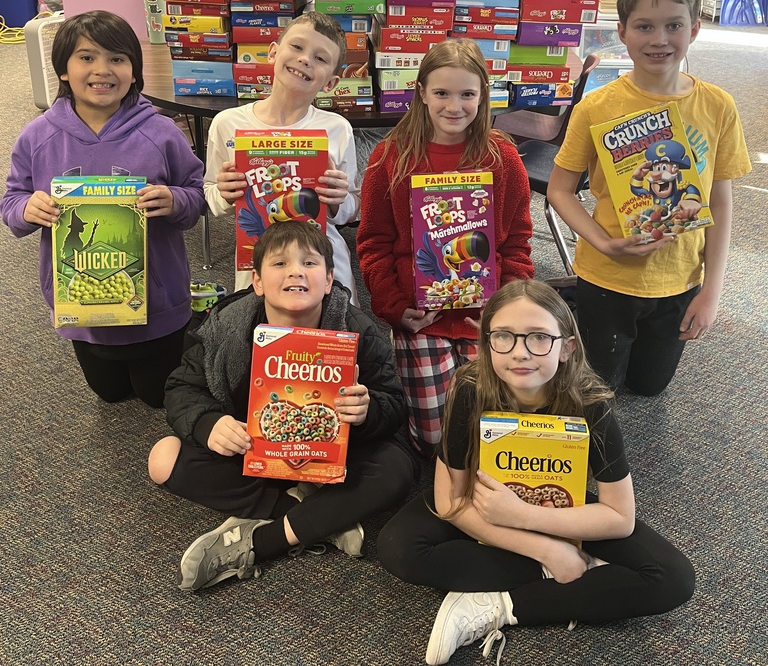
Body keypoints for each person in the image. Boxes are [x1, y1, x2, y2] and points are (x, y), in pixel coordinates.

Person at [377, 279, 695, 665]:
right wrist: (546, 549)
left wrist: (526, 516)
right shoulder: (469, 388)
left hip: (557, 502)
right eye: (504, 337)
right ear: (485, 343)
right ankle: (571, 574)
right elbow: (451, 501)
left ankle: (502, 603)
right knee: (398, 547)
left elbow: (619, 517)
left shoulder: (592, 404)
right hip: (482, 501)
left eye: (539, 338)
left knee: (673, 578)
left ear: (567, 348)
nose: (520, 353)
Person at [148, 220, 415, 591]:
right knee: (163, 457)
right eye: (279, 264)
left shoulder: (357, 328)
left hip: (339, 459)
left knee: (396, 469)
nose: (295, 272)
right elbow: (181, 388)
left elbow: (393, 406)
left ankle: (265, 540)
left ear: (328, 279)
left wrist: (367, 412)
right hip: (256, 453)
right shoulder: (226, 325)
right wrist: (210, 424)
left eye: (309, 263)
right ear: (256, 281)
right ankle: (319, 516)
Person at [547, 0, 751, 395]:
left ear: (694, 29)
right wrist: (603, 243)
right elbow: (559, 190)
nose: (659, 39)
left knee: (648, 387)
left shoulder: (718, 105)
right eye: (644, 26)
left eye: (673, 25)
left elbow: (722, 201)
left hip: (679, 278)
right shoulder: (596, 107)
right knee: (599, 387)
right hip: (607, 276)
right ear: (621, 32)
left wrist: (712, 292)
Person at [0, 11, 205, 407]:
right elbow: (11, 204)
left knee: (157, 397)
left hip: (156, 303)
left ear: (133, 70)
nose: (102, 70)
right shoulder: (37, 137)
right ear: (62, 69)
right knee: (109, 394)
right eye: (87, 57)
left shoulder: (161, 133)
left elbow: (195, 196)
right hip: (80, 304)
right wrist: (28, 209)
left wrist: (174, 199)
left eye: (117, 58)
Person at [357, 39, 534, 456]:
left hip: (486, 317)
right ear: (421, 92)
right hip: (421, 318)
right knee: (435, 442)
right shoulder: (391, 158)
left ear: (483, 96)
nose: (454, 106)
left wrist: (507, 310)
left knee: (491, 432)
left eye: (467, 94)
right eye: (442, 93)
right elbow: (373, 243)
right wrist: (396, 306)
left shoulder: (503, 158)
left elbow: (519, 242)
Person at [204, 11, 359, 298]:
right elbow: (212, 196)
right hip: (259, 267)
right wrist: (224, 193)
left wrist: (339, 200)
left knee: (331, 337)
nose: (305, 59)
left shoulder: (337, 129)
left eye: (320, 58)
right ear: (273, 52)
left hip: (323, 267)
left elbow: (351, 208)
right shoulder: (228, 124)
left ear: (331, 83)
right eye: (297, 47)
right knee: (259, 336)